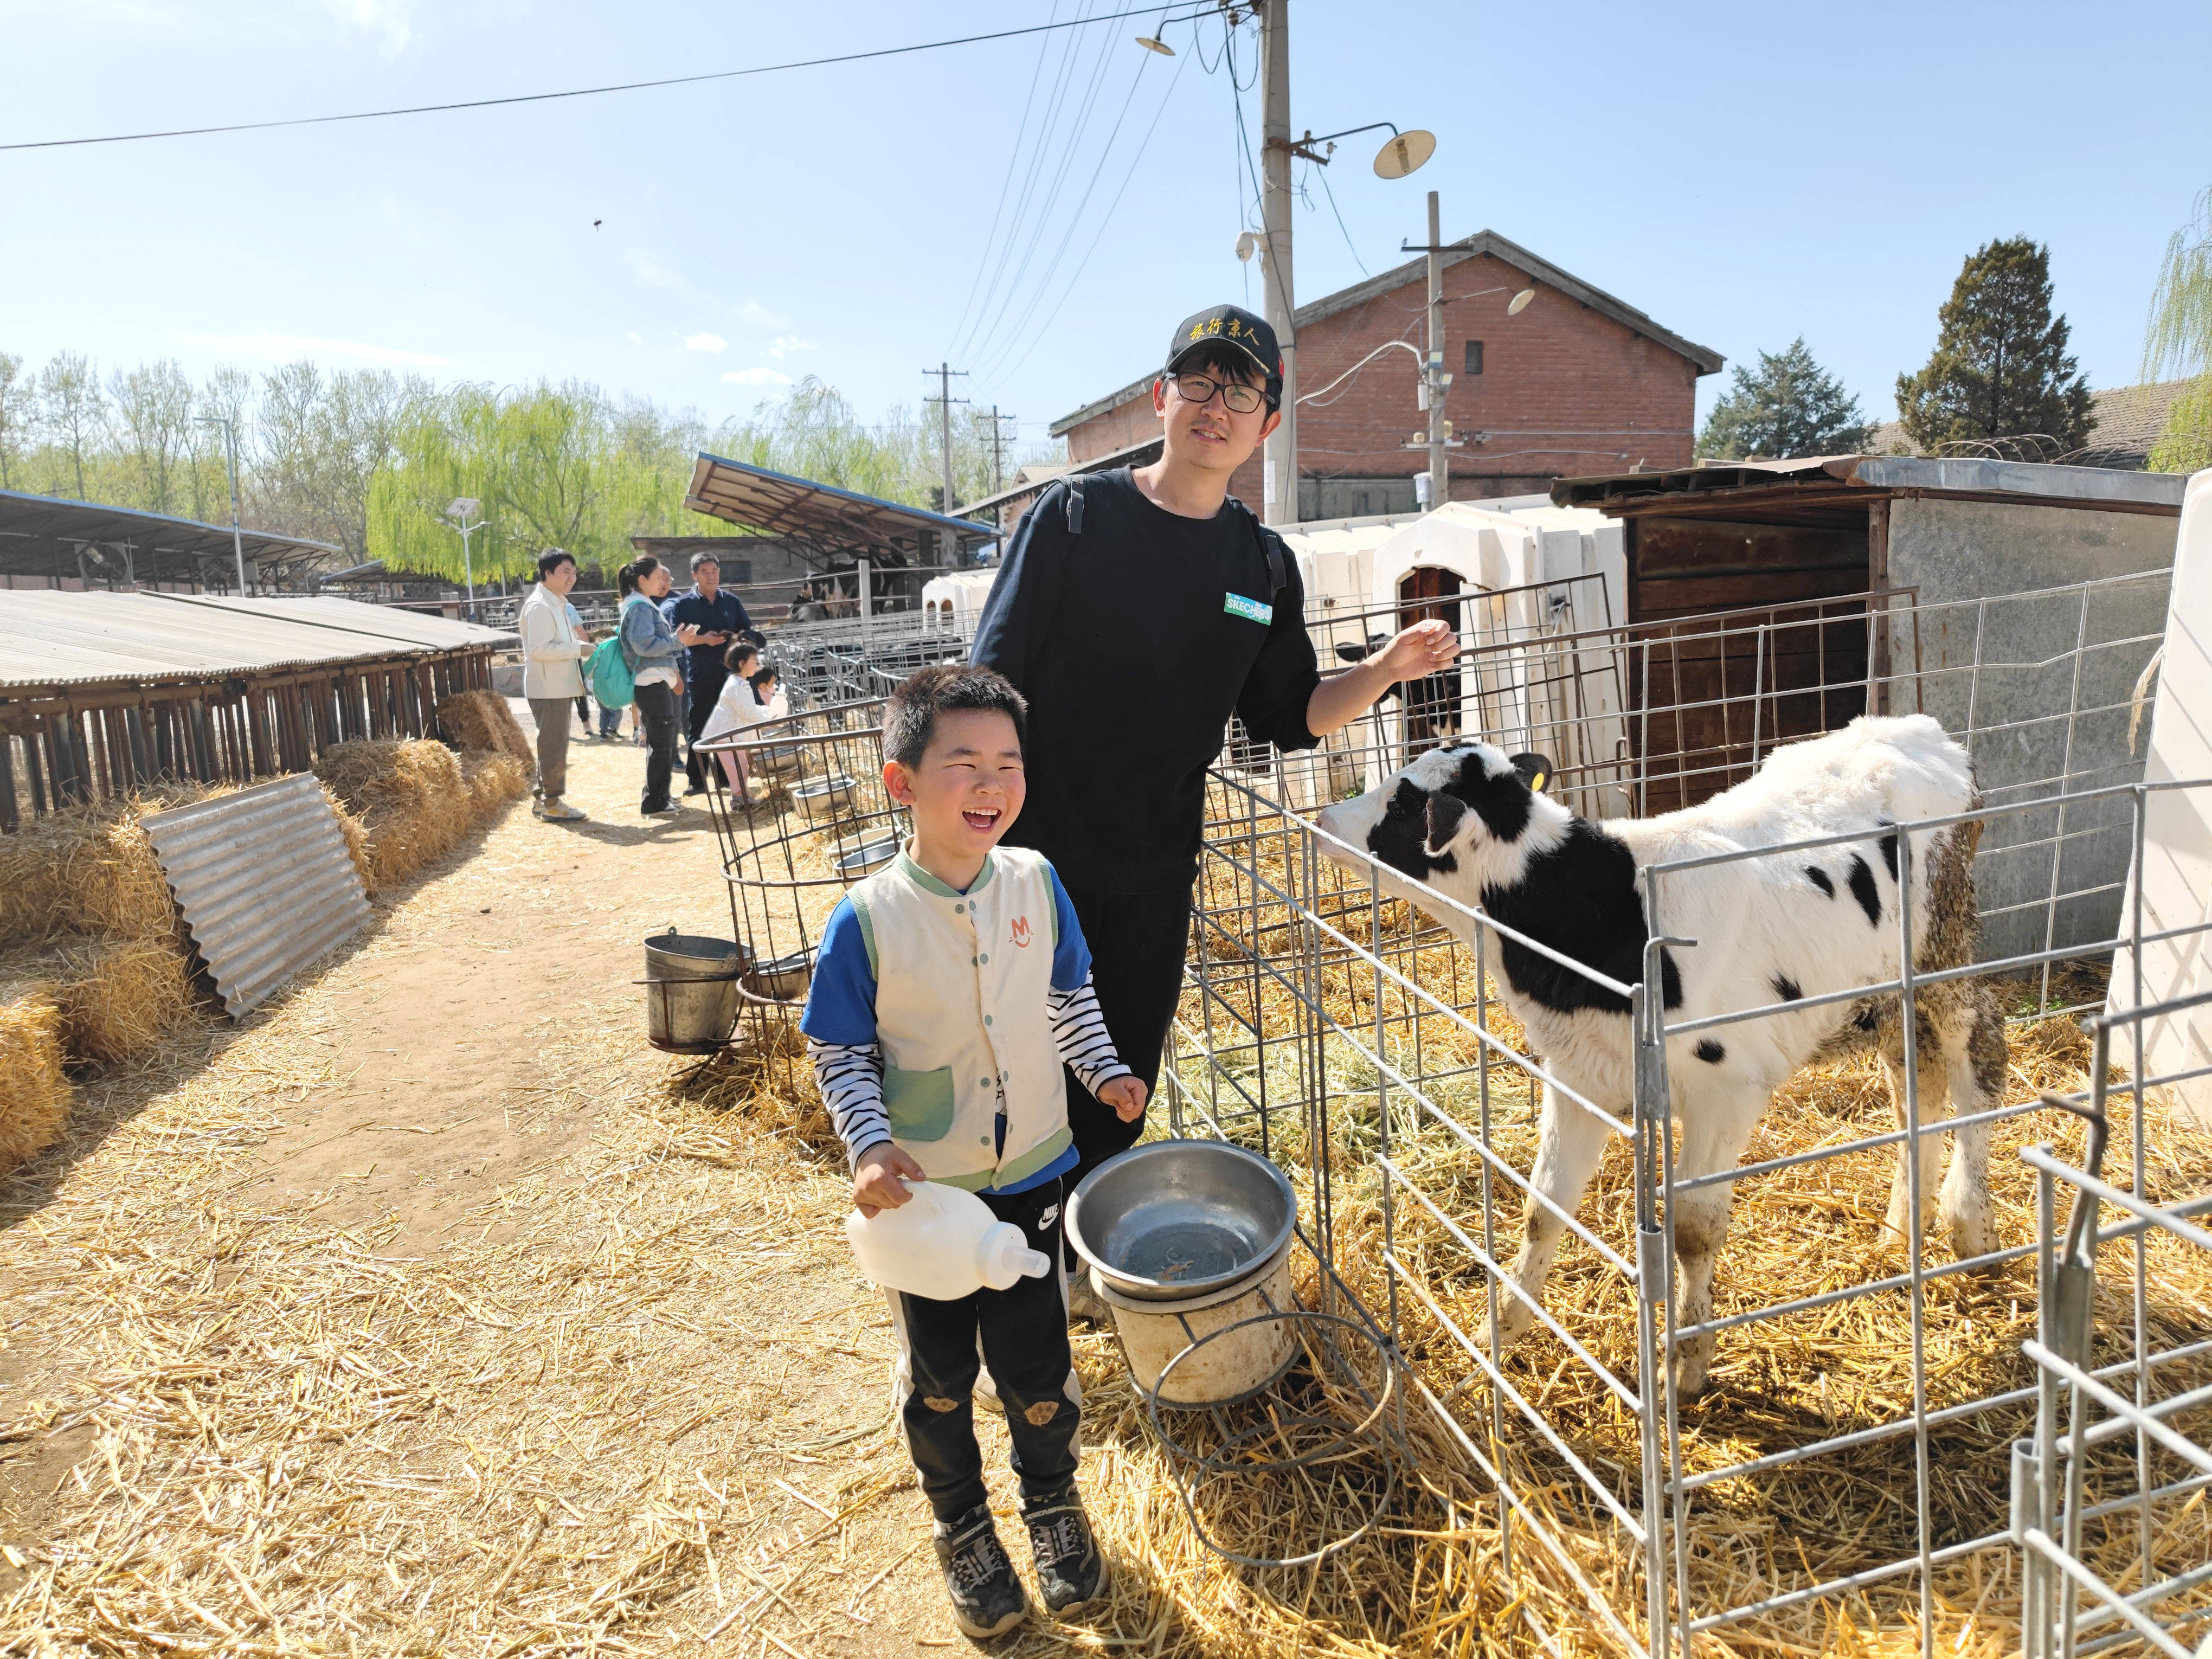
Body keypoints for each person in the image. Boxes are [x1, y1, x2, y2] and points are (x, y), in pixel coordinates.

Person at [969, 303, 1456, 1315]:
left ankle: (1070, 1273)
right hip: (1036, 857)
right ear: (1162, 396)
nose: (1217, 405)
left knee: (1118, 1077)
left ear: (1268, 423)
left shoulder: (1261, 567)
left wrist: (1384, 669)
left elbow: (1292, 716)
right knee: (1012, 1066)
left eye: (1243, 390)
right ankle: (988, 1275)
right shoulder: (1072, 521)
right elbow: (992, 679)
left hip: (1154, 867)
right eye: (1199, 381)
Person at [801, 665, 1143, 1638]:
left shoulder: (1035, 882)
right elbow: (841, 1046)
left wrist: (1105, 1073)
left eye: (1009, 761)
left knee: (1037, 1361)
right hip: (932, 1198)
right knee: (942, 1371)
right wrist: (869, 1146)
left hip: (1035, 1168)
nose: (991, 782)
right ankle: (962, 1524)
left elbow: (1068, 997)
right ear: (901, 782)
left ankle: (1051, 1507)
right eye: (964, 762)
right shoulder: (866, 917)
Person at [662, 552, 754, 796]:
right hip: (700, 674)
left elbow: (746, 630)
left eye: (714, 571)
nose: (711, 576)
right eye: (705, 572)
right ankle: (697, 780)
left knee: (729, 725)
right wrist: (705, 640)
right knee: (700, 725)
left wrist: (736, 639)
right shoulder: (684, 605)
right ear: (695, 575)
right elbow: (676, 640)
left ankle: (726, 778)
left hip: (730, 676)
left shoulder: (732, 602)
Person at [617, 555, 702, 817]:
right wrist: (679, 641)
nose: (662, 582)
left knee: (663, 740)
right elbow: (644, 645)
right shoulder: (641, 607)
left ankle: (658, 796)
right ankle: (655, 802)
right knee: (662, 740)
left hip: (653, 679)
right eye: (658, 577)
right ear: (642, 580)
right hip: (650, 680)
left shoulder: (641, 604)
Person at [518, 548, 590, 822]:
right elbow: (538, 649)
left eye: (573, 572)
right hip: (549, 687)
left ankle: (544, 800)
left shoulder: (555, 602)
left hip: (556, 685)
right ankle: (552, 802)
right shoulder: (540, 606)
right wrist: (578, 649)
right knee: (553, 746)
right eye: (565, 572)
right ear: (548, 574)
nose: (572, 577)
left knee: (553, 744)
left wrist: (576, 649)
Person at [697, 644, 789, 795]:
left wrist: (769, 713)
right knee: (737, 770)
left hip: (731, 734)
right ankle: (740, 801)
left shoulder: (741, 683)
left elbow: (750, 708)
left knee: (742, 767)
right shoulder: (737, 686)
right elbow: (747, 712)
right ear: (742, 664)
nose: (757, 665)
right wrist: (770, 719)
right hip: (725, 735)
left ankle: (742, 799)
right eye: (754, 662)